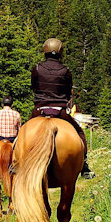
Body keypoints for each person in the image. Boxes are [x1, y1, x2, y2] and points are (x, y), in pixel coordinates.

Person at [30, 38, 95, 179]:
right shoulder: (66, 71)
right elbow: (67, 91)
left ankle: (16, 163)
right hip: (59, 110)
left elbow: (34, 87)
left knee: (21, 134)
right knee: (79, 134)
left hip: (40, 109)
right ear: (60, 52)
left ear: (45, 51)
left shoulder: (37, 68)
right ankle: (84, 166)